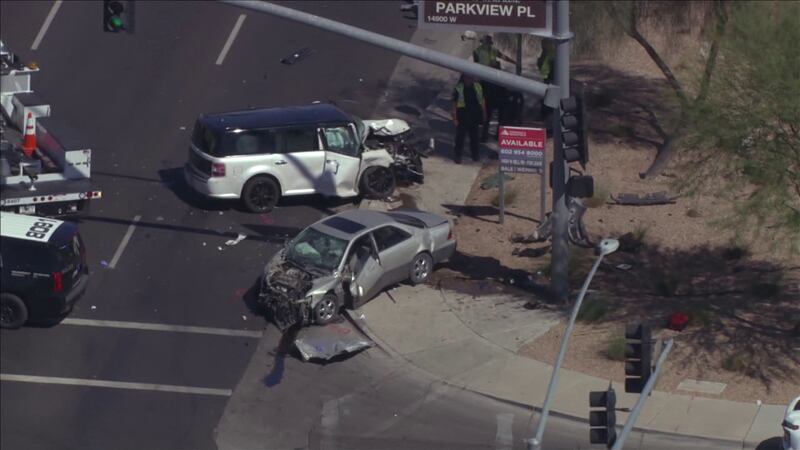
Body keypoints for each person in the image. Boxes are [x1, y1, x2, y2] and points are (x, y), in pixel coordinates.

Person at [451, 74, 486, 163]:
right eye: (467, 77)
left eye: (470, 77)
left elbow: (482, 100)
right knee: (460, 138)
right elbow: (454, 104)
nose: (469, 79)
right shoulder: (459, 88)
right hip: (462, 116)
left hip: (474, 116)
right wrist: (455, 118)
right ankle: (458, 156)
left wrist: (484, 113)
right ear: (463, 78)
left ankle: (475, 155)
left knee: (474, 138)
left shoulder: (477, 87)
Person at [480, 61, 508, 142]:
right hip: (500, 100)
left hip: (491, 100)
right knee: (500, 120)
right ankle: (497, 136)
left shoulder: (487, 77)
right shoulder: (503, 77)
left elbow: (482, 88)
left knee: (487, 119)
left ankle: (485, 136)